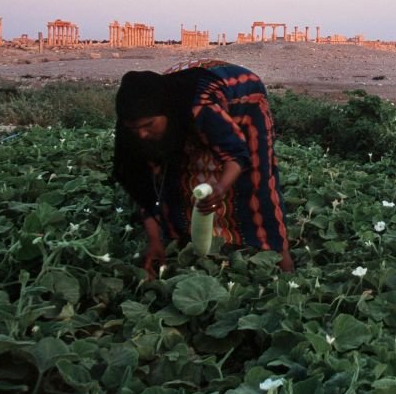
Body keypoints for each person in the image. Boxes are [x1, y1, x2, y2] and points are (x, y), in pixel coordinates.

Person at [113, 59, 294, 278]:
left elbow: (237, 155)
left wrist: (221, 188)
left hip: (242, 96)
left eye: (149, 125)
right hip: (185, 92)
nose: (141, 134)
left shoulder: (200, 108)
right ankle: (184, 244)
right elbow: (141, 182)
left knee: (257, 182)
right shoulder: (133, 120)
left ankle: (286, 268)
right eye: (135, 128)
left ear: (166, 114)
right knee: (175, 176)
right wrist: (154, 240)